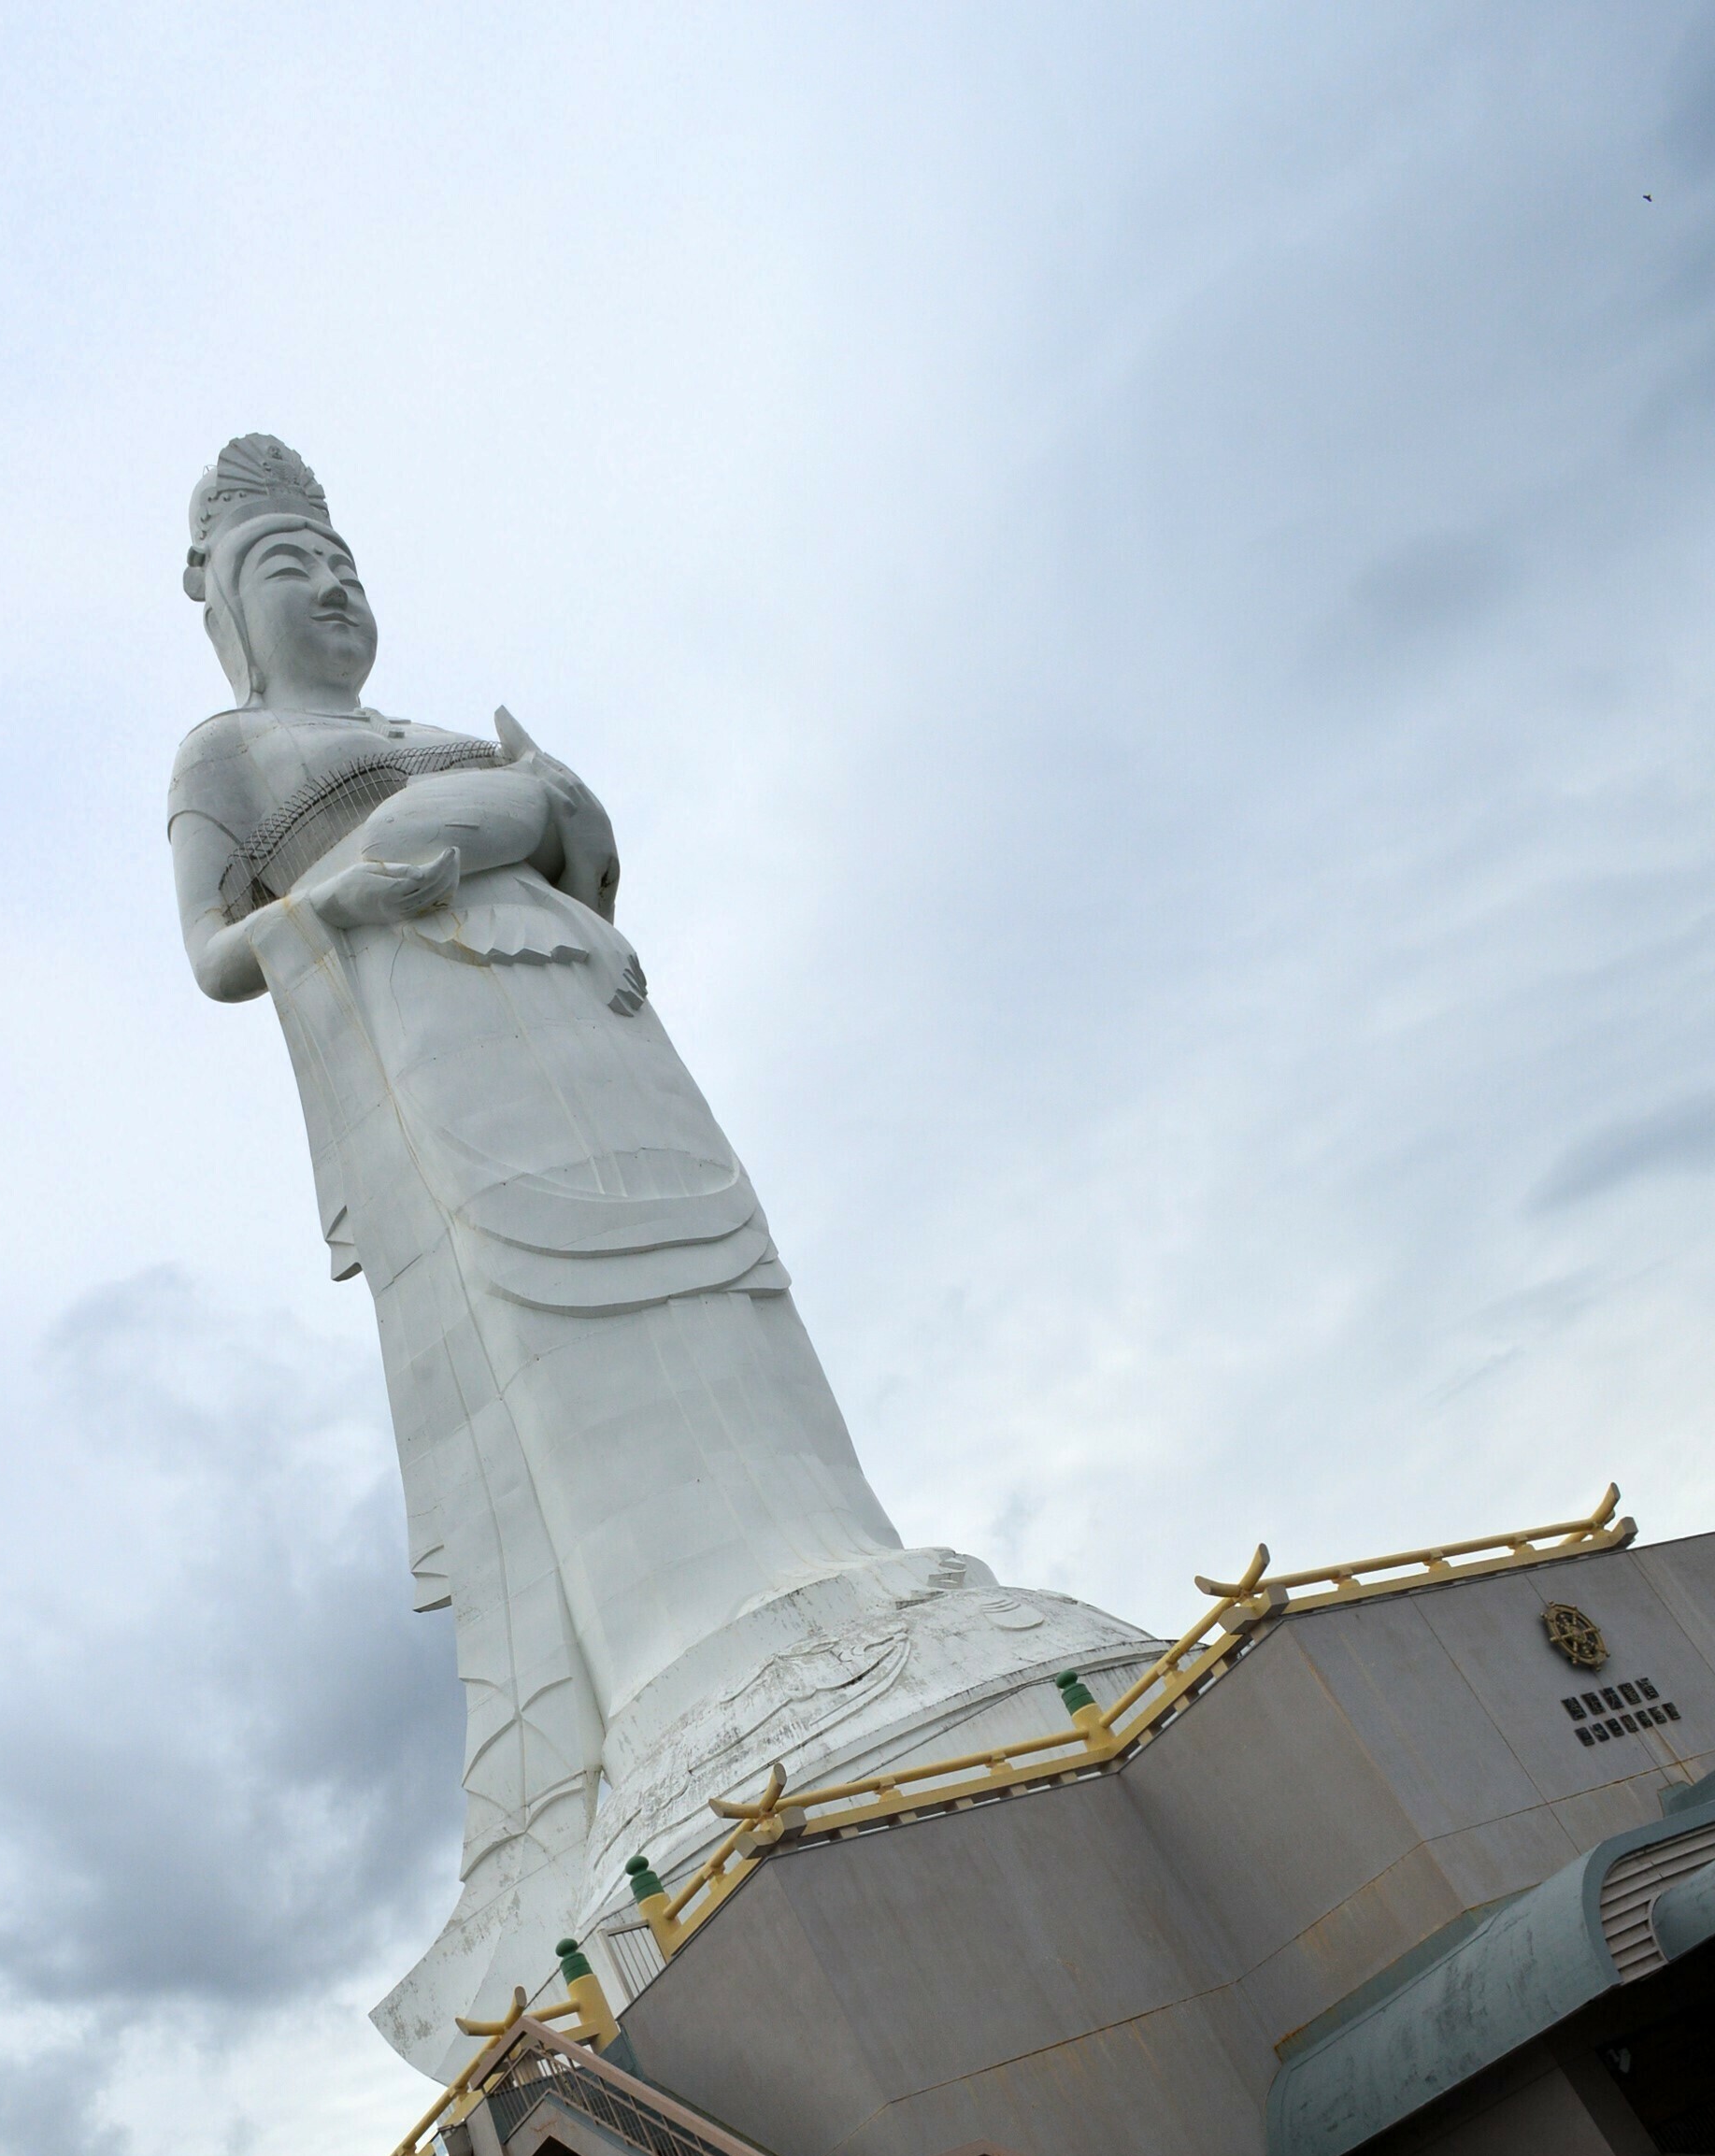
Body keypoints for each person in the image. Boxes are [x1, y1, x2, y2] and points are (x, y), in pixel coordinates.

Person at [169, 436, 1150, 2071]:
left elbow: (582, 841)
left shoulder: (440, 726)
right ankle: (691, 1661)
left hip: (582, 1007)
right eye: (290, 567)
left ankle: (841, 1570)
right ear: (224, 608)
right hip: (442, 1047)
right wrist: (425, 860)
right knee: (566, 1322)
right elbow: (218, 956)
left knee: (723, 1288)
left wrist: (533, 811)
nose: (332, 586)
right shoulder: (227, 753)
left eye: (344, 560)